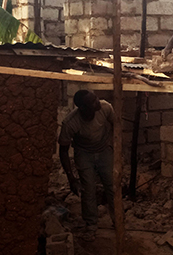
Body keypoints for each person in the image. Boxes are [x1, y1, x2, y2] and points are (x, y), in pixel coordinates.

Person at [58, 90, 116, 242]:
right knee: (88, 189)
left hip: (104, 150)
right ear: (82, 108)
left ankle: (118, 220)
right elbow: (63, 151)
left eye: (96, 98)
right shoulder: (71, 122)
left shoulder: (105, 108)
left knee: (112, 185)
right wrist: (71, 178)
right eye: (93, 102)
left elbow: (116, 125)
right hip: (84, 154)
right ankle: (91, 224)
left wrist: (114, 145)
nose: (97, 102)